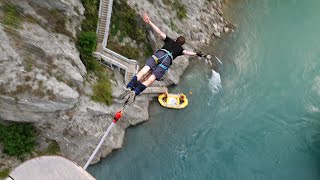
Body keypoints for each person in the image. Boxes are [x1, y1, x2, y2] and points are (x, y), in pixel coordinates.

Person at [120, 13, 205, 103]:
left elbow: (159, 32)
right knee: (151, 78)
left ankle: (129, 86)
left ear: (176, 39)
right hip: (166, 61)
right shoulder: (180, 49)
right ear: (182, 44)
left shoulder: (169, 40)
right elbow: (188, 53)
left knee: (144, 70)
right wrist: (197, 54)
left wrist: (149, 22)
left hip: (159, 55)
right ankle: (135, 91)